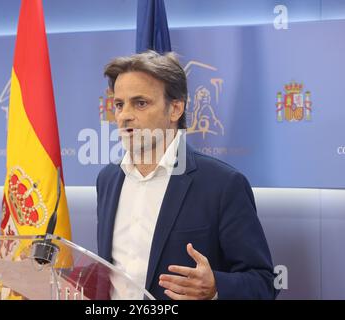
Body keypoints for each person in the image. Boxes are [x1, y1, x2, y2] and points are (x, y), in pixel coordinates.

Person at [96, 50, 277, 300]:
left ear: (175, 109)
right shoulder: (107, 180)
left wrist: (215, 288)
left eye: (140, 103)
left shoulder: (222, 185)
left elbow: (263, 283)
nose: (124, 114)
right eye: (119, 104)